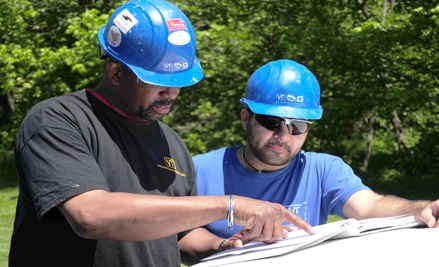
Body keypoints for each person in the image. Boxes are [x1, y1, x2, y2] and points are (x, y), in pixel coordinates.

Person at [8, 3, 313, 267]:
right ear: (115, 72)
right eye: (158, 82)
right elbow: (91, 214)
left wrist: (226, 248)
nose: (172, 93)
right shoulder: (58, 120)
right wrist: (229, 206)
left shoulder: (173, 144)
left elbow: (181, 235)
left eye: (178, 81)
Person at [181, 59, 439, 260]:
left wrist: (419, 209)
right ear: (246, 119)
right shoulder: (199, 170)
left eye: (297, 126)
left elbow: (368, 206)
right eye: (272, 122)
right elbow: (177, 237)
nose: (283, 135)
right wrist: (226, 246)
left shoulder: (323, 170)